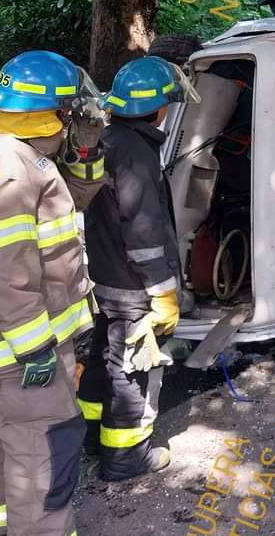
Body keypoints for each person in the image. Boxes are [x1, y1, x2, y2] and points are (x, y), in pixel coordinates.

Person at [0, 50, 105, 536]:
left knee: (5, 437)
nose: (71, 119)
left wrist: (86, 149)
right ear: (46, 113)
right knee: (47, 454)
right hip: (22, 350)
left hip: (6, 346)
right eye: (67, 112)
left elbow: (74, 198)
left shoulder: (14, 153)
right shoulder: (11, 170)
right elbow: (6, 271)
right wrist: (34, 347)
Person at [76, 57, 192, 480]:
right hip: (133, 285)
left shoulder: (110, 139)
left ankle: (89, 435)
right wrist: (162, 289)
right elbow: (143, 232)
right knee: (134, 367)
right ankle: (126, 457)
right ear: (159, 108)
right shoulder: (136, 152)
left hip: (106, 276)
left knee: (106, 355)